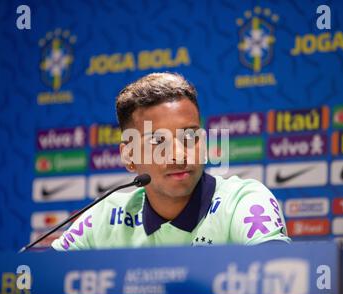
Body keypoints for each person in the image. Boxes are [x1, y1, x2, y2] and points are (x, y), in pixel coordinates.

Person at [52, 72, 290, 251]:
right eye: (158, 140)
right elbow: (42, 280)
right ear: (129, 156)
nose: (178, 154)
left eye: (189, 136)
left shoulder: (242, 201)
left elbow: (281, 276)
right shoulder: (105, 216)